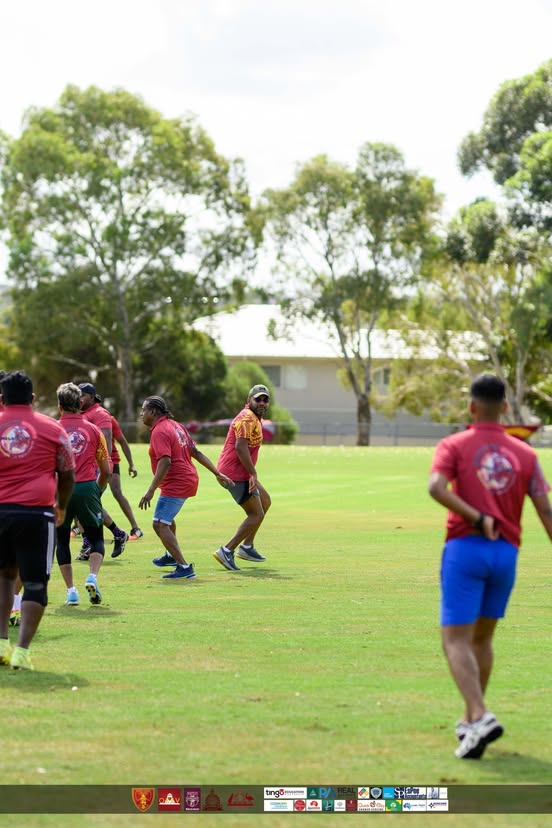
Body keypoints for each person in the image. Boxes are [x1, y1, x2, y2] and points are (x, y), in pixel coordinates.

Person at [428, 374, 552, 760]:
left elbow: (435, 487)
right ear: (505, 408)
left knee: (455, 640)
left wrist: (478, 517)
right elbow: (545, 510)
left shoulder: (454, 444)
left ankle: (480, 715)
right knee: (482, 640)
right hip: (506, 556)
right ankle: (470, 725)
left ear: (470, 406)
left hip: (467, 548)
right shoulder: (526, 455)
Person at [0, 370, 75, 670]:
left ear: (2, 398)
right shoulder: (53, 428)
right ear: (32, 398)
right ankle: (22, 651)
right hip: (37, 513)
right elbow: (68, 473)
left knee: (4, 577)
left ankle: (1, 642)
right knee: (34, 583)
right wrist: (62, 506)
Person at [138, 396, 234, 580]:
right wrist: (216, 472)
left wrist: (150, 490)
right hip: (186, 479)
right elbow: (195, 452)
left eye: (143, 410)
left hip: (177, 482)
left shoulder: (159, 431)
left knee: (159, 524)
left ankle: (184, 567)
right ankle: (170, 556)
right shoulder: (176, 426)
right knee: (166, 520)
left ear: (153, 412)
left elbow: (165, 462)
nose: (141, 414)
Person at [56, 383, 111, 605]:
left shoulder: (53, 429)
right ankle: (92, 576)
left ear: (59, 405)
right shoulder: (94, 430)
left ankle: (71, 591)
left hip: (61, 490)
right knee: (96, 537)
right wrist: (97, 490)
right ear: (80, 403)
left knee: (62, 541)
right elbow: (106, 470)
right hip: (88, 487)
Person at [213, 384, 272, 571]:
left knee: (265, 501)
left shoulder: (254, 417)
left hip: (241, 472)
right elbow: (240, 447)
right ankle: (226, 550)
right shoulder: (247, 417)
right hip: (234, 474)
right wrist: (252, 473)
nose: (262, 403)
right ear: (249, 401)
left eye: (265, 400)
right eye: (258, 399)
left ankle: (247, 547)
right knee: (256, 514)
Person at [78, 382, 129, 558]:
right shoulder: (84, 414)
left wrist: (102, 467)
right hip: (87, 466)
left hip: (98, 467)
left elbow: (106, 439)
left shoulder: (100, 413)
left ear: (92, 397)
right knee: (86, 505)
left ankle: (89, 543)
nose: (79, 398)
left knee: (82, 504)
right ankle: (117, 534)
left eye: (82, 395)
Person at [109, 412, 143, 542]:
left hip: (111, 460)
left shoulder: (108, 419)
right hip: (91, 462)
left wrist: (131, 464)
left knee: (117, 493)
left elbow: (122, 441)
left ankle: (135, 527)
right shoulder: (80, 416)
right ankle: (78, 527)